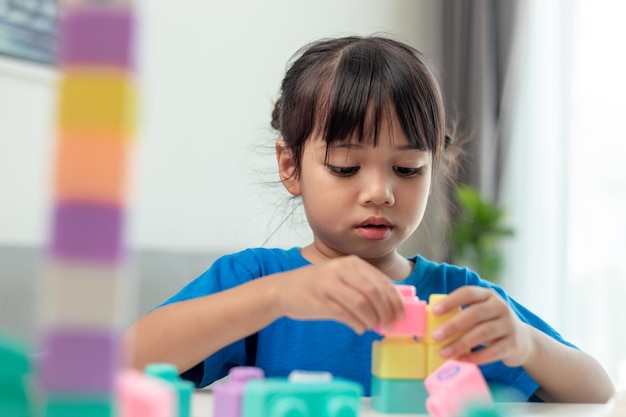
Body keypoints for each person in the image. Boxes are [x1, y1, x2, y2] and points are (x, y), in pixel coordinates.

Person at [125, 35, 614, 402]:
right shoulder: (258, 280)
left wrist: (527, 344)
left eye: (406, 169)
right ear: (291, 167)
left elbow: (597, 392)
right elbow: (123, 361)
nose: (380, 192)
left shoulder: (456, 298)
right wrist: (273, 299)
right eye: (345, 167)